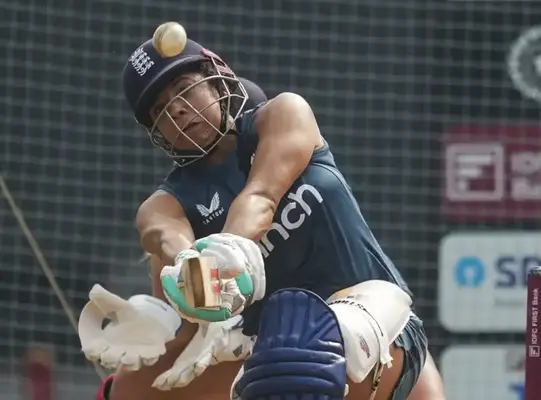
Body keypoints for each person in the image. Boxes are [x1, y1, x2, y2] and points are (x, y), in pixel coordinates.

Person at [87, 26, 446, 400]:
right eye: (161, 110)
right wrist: (181, 290)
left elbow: (260, 197)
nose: (177, 108)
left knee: (298, 349)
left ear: (218, 80)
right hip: (273, 365)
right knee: (131, 388)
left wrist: (222, 256)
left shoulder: (282, 114)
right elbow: (170, 242)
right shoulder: (165, 204)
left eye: (185, 89)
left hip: (379, 330)